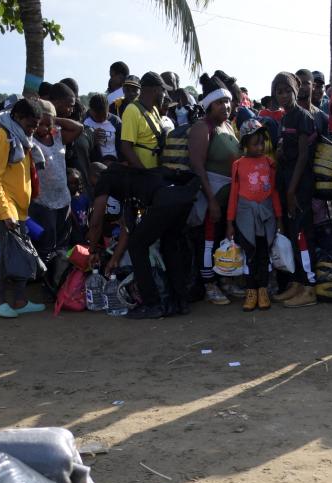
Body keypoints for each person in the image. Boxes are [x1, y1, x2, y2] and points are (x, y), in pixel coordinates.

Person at [87, 162, 199, 319]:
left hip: (165, 199)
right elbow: (127, 225)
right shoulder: (127, 175)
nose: (94, 188)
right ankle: (181, 302)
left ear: (96, 176)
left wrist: (91, 250)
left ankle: (152, 304)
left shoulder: (104, 179)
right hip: (184, 198)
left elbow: (95, 221)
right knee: (170, 245)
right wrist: (115, 257)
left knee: (137, 246)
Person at [0, 97, 45, 319]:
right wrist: (7, 213)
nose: (33, 130)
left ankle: (20, 300)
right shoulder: (1, 136)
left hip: (18, 210)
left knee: (18, 254)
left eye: (36, 125)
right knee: (6, 256)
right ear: (17, 117)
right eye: (30, 125)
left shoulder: (20, 136)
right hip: (3, 211)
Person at [187, 74, 242, 304]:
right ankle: (209, 284)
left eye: (227, 102)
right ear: (209, 105)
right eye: (220, 102)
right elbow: (198, 165)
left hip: (230, 197)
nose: (226, 106)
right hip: (211, 195)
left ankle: (224, 279)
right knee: (208, 240)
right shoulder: (203, 127)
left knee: (223, 240)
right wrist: (210, 199)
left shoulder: (228, 126)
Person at [272, 72, 318, 307]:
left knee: (302, 234)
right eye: (278, 91)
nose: (283, 95)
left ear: (294, 91)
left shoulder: (302, 116)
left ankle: (309, 286)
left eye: (286, 91)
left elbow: (303, 157)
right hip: (287, 181)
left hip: (299, 185)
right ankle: (297, 283)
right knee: (293, 233)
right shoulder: (285, 117)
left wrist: (291, 192)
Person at [226, 120, 282, 311]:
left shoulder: (269, 163)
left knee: (264, 255)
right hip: (245, 217)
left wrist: (279, 217)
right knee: (249, 254)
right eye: (255, 143)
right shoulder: (238, 165)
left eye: (262, 142)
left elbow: (273, 191)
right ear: (245, 144)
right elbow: (234, 193)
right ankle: (251, 291)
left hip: (266, 216)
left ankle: (263, 290)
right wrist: (230, 222)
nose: (260, 147)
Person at [29, 99, 84, 261]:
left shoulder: (58, 135)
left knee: (63, 243)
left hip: (63, 199)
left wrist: (54, 119)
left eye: (48, 124)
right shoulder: (29, 140)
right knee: (46, 244)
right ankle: (44, 279)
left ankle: (59, 277)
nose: (45, 128)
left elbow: (79, 127)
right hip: (43, 202)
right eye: (41, 123)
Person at [120, 73, 165, 170]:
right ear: (155, 90)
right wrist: (143, 173)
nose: (164, 94)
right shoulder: (132, 111)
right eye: (163, 90)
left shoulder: (155, 110)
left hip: (156, 173)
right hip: (143, 176)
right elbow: (126, 148)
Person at [83, 93, 118, 162]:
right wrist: (91, 138)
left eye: (103, 116)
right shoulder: (85, 122)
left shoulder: (116, 122)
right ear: (91, 111)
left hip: (114, 164)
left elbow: (122, 145)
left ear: (108, 109)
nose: (101, 119)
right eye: (97, 117)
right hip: (94, 164)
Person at [296, 69, 331, 137]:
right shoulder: (288, 111)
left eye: (319, 86)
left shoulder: (328, 109)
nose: (302, 87)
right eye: (299, 84)